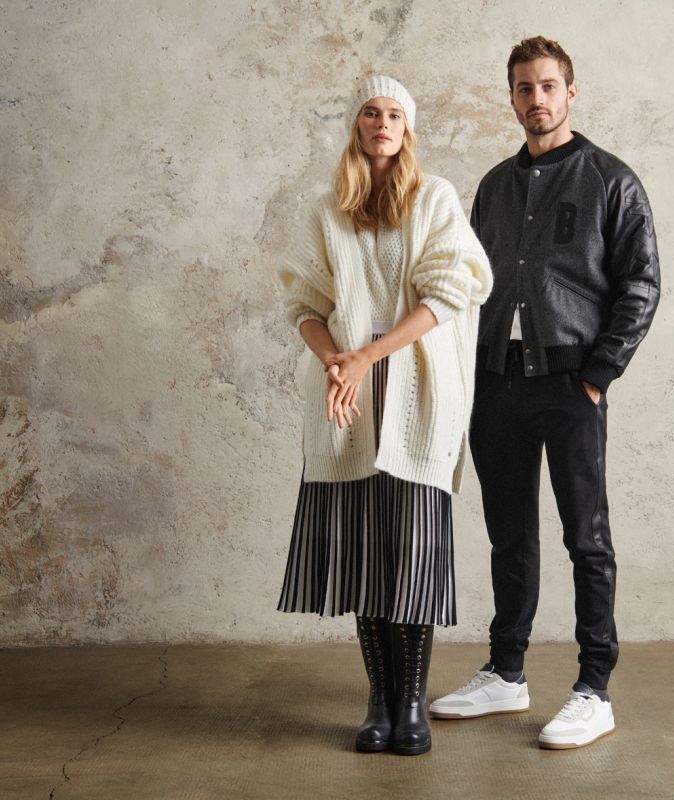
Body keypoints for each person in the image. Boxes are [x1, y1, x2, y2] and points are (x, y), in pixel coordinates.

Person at [428, 37, 660, 749]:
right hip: (497, 384)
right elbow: (468, 284)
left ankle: (594, 688)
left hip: (570, 383)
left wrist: (597, 374)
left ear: (571, 92)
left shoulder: (611, 180)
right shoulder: (495, 187)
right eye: (524, 88)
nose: (537, 99)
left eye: (549, 86)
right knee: (509, 536)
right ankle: (506, 672)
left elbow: (642, 284)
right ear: (511, 97)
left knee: (585, 538)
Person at [274, 75, 492, 756]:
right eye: (371, 112)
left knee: (413, 551)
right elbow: (303, 303)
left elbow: (452, 289)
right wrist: (339, 363)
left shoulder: (434, 198)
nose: (382, 122)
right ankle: (379, 700)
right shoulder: (326, 211)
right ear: (356, 125)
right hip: (348, 392)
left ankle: (412, 702)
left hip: (415, 387)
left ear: (408, 128)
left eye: (395, 113)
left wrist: (368, 355)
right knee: (366, 551)